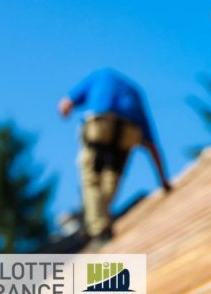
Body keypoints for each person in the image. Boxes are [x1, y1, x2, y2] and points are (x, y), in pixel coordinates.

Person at [58, 68, 171, 241]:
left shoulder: (101, 76)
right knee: (111, 177)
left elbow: (65, 105)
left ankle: (97, 227)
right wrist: (163, 180)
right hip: (129, 131)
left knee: (91, 177)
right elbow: (152, 146)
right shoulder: (134, 92)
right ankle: (97, 215)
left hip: (101, 122)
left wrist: (65, 111)